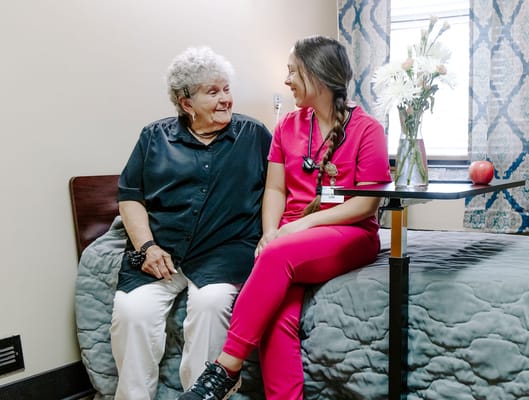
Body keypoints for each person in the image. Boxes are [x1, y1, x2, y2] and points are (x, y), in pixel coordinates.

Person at [179, 36, 391, 400]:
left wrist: (297, 228)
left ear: (317, 75)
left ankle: (224, 369)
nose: (287, 80)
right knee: (276, 319)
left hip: (349, 231)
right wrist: (270, 231)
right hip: (292, 239)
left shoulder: (367, 129)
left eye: (292, 71)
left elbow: (366, 205)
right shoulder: (288, 127)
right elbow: (275, 190)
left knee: (277, 256)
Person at [112, 46, 272, 400]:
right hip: (161, 253)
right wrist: (147, 247)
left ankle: (201, 395)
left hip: (224, 250)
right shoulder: (154, 137)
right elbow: (130, 196)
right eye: (212, 92)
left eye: (227, 89)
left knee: (212, 304)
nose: (225, 99)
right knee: (131, 312)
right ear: (186, 103)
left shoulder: (253, 135)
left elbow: (278, 189)